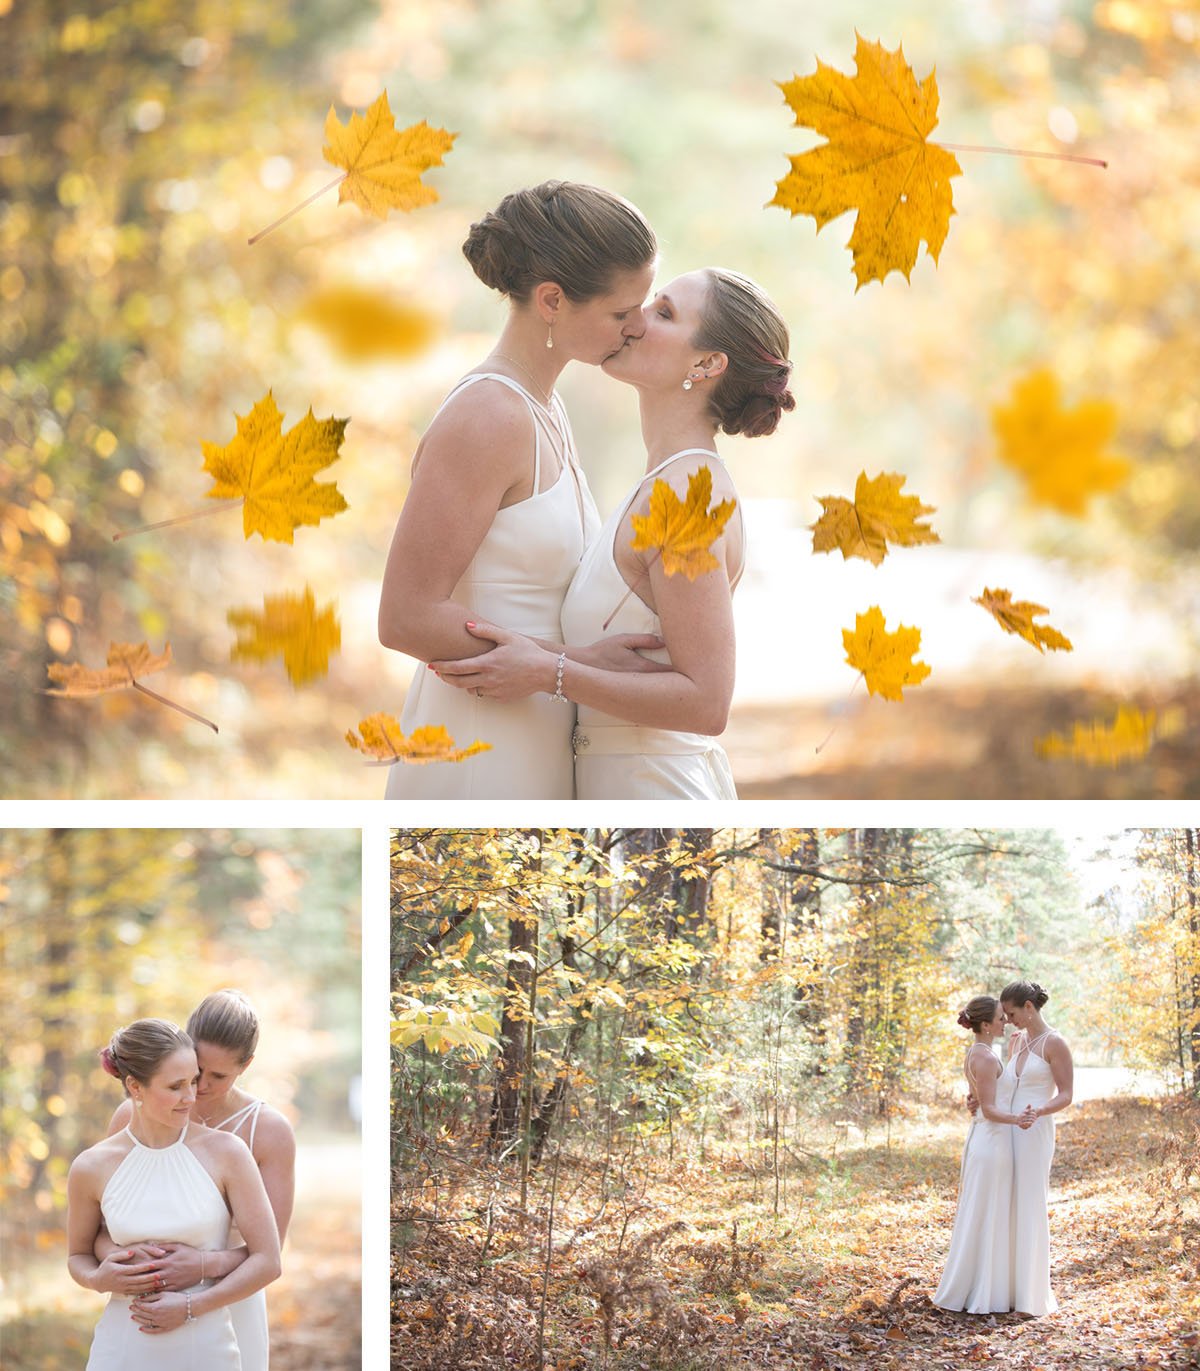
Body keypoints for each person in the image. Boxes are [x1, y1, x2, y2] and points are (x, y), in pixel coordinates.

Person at [430, 267, 795, 799]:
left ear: (708, 363)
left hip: (655, 791)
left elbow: (706, 702)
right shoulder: (660, 481)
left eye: (664, 313)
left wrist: (549, 673)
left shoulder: (688, 496)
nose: (634, 320)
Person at [377, 180, 661, 799]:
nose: (639, 328)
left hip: (538, 729)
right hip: (481, 742)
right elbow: (405, 616)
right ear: (552, 300)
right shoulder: (488, 416)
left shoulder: (544, 409)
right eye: (621, 312)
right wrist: (571, 666)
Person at [67, 1019, 281, 1368]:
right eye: (176, 1086)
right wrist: (96, 1278)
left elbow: (268, 1261)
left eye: (193, 1081)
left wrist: (189, 1307)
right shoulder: (91, 1166)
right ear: (135, 1087)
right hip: (122, 1347)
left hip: (206, 1346)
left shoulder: (228, 1153)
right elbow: (78, 1254)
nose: (192, 1096)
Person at [933, 995, 1035, 1315]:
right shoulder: (987, 1058)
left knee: (985, 1211)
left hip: (985, 1140)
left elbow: (980, 1097)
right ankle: (983, 1290)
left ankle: (983, 1284)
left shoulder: (978, 1053)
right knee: (988, 1211)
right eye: (1000, 1018)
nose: (1005, 1021)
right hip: (992, 1141)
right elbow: (990, 1110)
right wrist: (1018, 1119)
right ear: (986, 1025)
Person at [999, 979, 1073, 1317]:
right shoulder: (1017, 1042)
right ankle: (1008, 1287)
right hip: (1010, 1128)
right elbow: (1006, 1085)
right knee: (1010, 1202)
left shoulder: (1054, 1043)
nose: (1008, 1020)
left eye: (1012, 1013)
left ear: (1029, 1008)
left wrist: (1040, 1110)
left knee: (1030, 1202)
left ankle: (1032, 1296)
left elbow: (1066, 1094)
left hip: (1035, 1129)